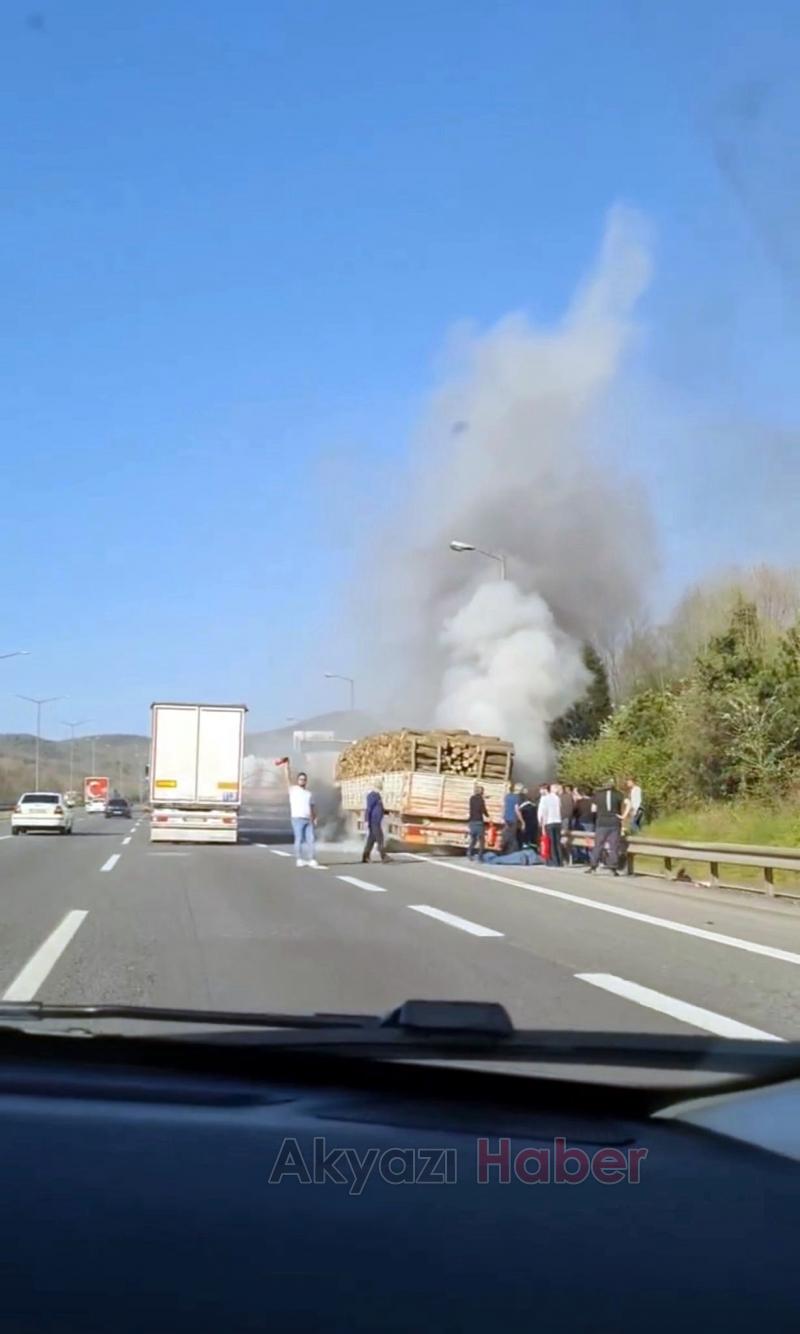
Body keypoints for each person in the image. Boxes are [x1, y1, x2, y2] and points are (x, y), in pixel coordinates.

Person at [280, 759, 320, 868]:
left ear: (306, 781)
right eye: (301, 779)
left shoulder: (309, 793)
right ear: (298, 780)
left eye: (304, 779)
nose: (302, 781)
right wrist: (286, 766)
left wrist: (314, 818)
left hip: (308, 819)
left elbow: (312, 807)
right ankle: (299, 859)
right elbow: (287, 778)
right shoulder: (293, 790)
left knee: (311, 839)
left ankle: (312, 859)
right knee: (299, 839)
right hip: (297, 819)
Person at [586, 778, 624, 875]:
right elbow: (628, 803)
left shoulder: (598, 795)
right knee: (614, 846)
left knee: (598, 845)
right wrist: (623, 816)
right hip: (614, 823)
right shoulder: (618, 794)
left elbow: (593, 809)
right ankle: (613, 868)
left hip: (602, 823)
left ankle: (593, 866)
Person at [363, 780, 388, 863]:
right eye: (379, 788)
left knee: (371, 839)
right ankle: (384, 856)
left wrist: (385, 812)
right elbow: (369, 809)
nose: (380, 789)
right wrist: (366, 820)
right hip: (374, 821)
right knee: (380, 838)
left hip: (376, 821)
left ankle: (365, 856)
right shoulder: (372, 795)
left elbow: (379, 807)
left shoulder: (377, 795)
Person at [538, 783, 563, 867]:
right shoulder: (557, 798)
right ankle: (560, 861)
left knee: (551, 843)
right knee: (557, 842)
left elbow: (544, 813)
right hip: (558, 822)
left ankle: (553, 861)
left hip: (549, 822)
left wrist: (542, 826)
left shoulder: (545, 799)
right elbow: (559, 808)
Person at [467, 783, 489, 860]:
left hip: (471, 821)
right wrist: (488, 816)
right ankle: (480, 856)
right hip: (478, 822)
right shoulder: (481, 800)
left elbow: (475, 803)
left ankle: (469, 852)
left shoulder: (471, 798)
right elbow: (483, 810)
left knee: (473, 839)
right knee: (481, 840)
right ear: (481, 792)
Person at [501, 783, 524, 854]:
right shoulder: (517, 798)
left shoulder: (507, 796)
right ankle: (513, 852)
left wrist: (502, 816)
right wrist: (522, 821)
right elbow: (517, 809)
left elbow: (504, 806)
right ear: (520, 790)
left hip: (506, 818)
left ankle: (504, 849)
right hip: (513, 819)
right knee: (513, 836)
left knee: (506, 834)